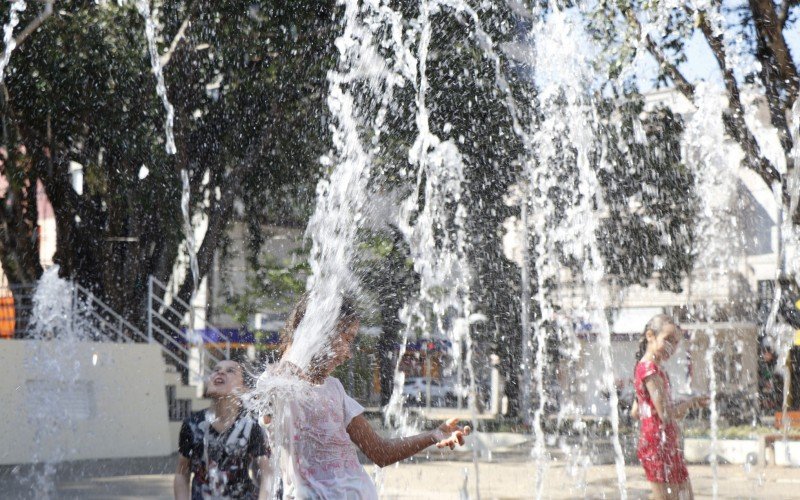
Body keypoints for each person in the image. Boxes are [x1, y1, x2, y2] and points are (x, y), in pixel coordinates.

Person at [268, 293, 470, 499]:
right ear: (318, 331)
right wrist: (296, 349)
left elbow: (381, 452)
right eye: (346, 339)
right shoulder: (281, 386)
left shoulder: (334, 390)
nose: (348, 353)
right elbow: (273, 388)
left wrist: (433, 435)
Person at [630, 314, 708, 500]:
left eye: (676, 343)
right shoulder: (649, 370)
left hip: (662, 441)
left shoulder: (647, 368)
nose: (672, 347)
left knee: (682, 497)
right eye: (668, 340)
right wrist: (692, 403)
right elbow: (665, 415)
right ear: (650, 336)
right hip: (658, 444)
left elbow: (635, 412)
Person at [174, 360, 273, 500]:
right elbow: (182, 473)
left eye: (230, 371)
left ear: (242, 388)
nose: (220, 372)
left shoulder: (251, 425)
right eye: (216, 369)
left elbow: (267, 473)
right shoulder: (192, 424)